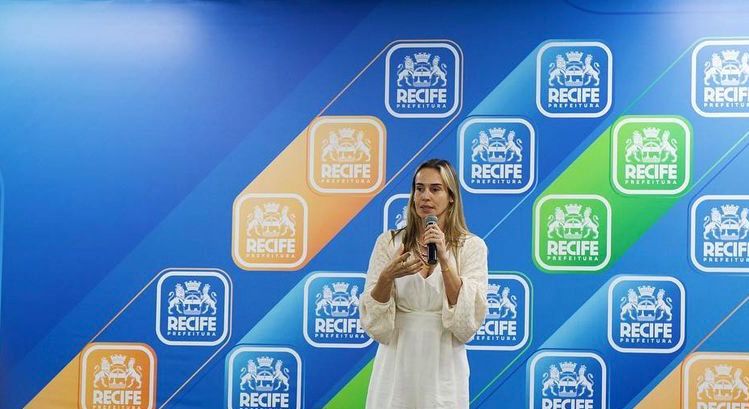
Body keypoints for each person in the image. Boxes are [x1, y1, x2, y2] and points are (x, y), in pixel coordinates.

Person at [360, 158, 489, 409]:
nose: (425, 196)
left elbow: (467, 319)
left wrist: (444, 260)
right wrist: (386, 277)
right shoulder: (389, 242)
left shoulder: (472, 247)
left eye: (435, 189)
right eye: (419, 188)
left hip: (444, 361)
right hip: (397, 359)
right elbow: (374, 321)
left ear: (451, 197)